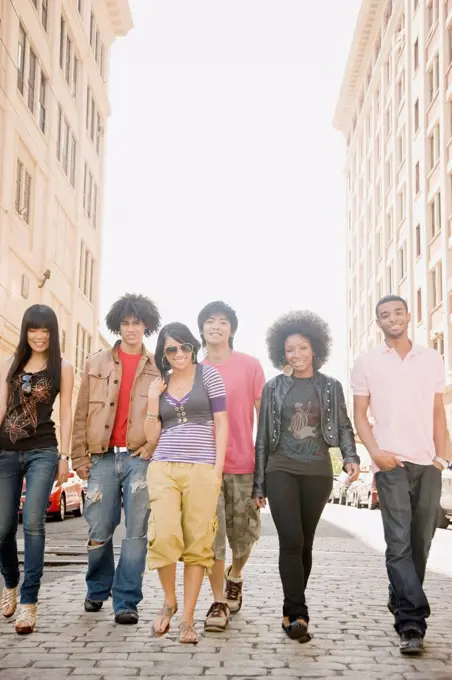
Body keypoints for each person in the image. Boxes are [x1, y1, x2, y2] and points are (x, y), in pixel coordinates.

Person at [351, 295, 449, 656]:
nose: (391, 319)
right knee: (398, 545)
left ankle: (399, 595)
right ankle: (411, 622)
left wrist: (442, 458)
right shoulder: (367, 363)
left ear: (409, 316)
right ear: (378, 323)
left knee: (421, 544)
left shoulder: (432, 358)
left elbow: (438, 410)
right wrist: (376, 453)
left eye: (396, 312)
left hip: (428, 464)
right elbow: (360, 414)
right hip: (391, 464)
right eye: (383, 315)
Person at [253, 311, 360, 641]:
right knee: (292, 540)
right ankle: (297, 613)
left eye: (302, 348)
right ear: (281, 353)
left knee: (306, 543)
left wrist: (350, 457)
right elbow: (263, 436)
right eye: (289, 350)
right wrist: (259, 483)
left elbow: (343, 425)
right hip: (280, 469)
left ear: (315, 349)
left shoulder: (330, 387)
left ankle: (291, 610)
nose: (296, 355)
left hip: (317, 471)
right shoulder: (274, 388)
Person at [71, 293, 160, 625]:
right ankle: (97, 588)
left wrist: (152, 449)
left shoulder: (156, 367)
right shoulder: (95, 363)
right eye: (125, 322)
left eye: (137, 322)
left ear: (146, 325)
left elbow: (165, 415)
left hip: (140, 460)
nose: (131, 328)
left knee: (136, 532)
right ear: (117, 325)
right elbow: (81, 413)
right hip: (102, 458)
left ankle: (126, 601)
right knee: (99, 526)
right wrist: (78, 455)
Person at [145, 322, 228, 645]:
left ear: (192, 347)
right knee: (163, 536)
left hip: (202, 468)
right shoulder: (161, 383)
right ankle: (169, 599)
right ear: (163, 354)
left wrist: (217, 469)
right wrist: (153, 400)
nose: (179, 354)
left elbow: (221, 422)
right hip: (163, 466)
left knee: (198, 544)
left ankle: (187, 619)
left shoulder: (209, 376)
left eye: (184, 347)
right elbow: (151, 436)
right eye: (171, 349)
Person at [0, 304, 74, 634]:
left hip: (43, 450)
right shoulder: (10, 364)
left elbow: (68, 412)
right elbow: (2, 407)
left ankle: (29, 603)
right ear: (25, 331)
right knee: (2, 528)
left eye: (45, 330)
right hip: (6, 452)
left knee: (32, 522)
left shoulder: (63, 367)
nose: (39, 336)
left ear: (52, 333)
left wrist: (65, 457)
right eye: (33, 329)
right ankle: (11, 582)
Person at [196, 301, 265, 632]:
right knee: (212, 537)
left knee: (244, 535)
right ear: (202, 329)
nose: (216, 326)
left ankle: (235, 575)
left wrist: (265, 466)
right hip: (206, 466)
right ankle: (218, 601)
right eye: (210, 321)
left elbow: (265, 417)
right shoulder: (193, 370)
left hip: (243, 463)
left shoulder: (250, 366)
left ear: (232, 329)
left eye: (223, 321)